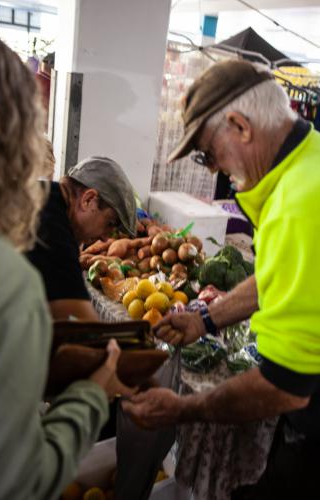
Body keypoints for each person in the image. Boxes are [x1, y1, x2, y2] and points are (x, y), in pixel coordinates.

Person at [123, 59, 320, 498]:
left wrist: (184, 408)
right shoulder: (305, 165)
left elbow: (282, 387)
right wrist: (206, 320)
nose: (212, 169)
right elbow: (273, 276)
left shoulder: (299, 203)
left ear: (240, 126)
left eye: (207, 153)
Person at [0, 27, 132, 500]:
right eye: (109, 226)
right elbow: (84, 329)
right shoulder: (46, 219)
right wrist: (113, 372)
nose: (106, 240)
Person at [26, 156, 137, 320]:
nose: (106, 239)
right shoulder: (54, 230)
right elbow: (83, 323)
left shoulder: (45, 194)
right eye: (109, 223)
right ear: (88, 200)